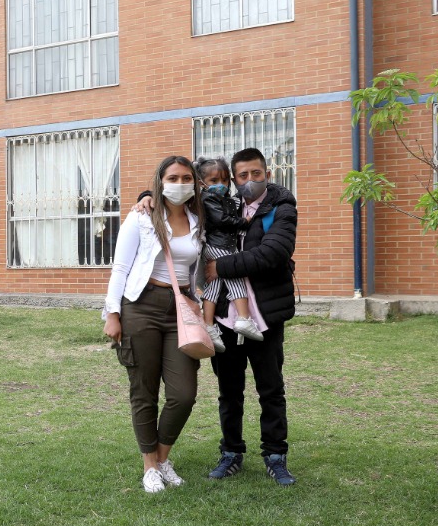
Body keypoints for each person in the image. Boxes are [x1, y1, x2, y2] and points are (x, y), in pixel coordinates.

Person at [136, 148, 299, 486]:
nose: (249, 180)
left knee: (271, 389)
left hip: (265, 314)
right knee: (229, 391)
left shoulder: (280, 206)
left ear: (267, 174)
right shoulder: (225, 203)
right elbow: (179, 194)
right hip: (224, 315)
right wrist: (147, 196)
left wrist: (220, 266)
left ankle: (275, 455)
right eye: (242, 176)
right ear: (234, 179)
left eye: (256, 174)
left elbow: (274, 253)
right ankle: (231, 452)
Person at [103, 156, 206, 493]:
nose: (180, 184)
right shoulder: (142, 217)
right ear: (161, 181)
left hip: (180, 311)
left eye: (186, 178)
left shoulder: (198, 220)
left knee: (183, 394)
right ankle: (150, 466)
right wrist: (112, 314)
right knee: (144, 390)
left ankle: (162, 458)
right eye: (173, 178)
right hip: (141, 306)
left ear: (195, 183)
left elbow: (196, 267)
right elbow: (121, 267)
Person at [194, 157, 262, 352]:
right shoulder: (208, 199)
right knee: (236, 279)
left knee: (213, 286)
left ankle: (208, 325)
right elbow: (222, 220)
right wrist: (244, 222)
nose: (221, 184)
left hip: (220, 245)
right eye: (214, 180)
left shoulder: (223, 198)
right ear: (202, 183)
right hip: (220, 246)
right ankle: (244, 319)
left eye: (225, 180)